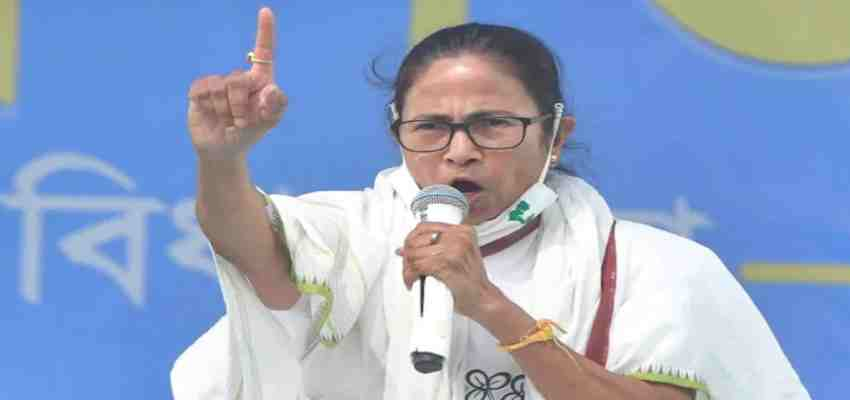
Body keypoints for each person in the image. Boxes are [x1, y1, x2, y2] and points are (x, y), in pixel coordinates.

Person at [172, 7, 811, 400]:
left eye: (492, 125)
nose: (459, 152)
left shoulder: (656, 267)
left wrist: (490, 307)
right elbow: (244, 244)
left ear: (556, 136)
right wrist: (222, 159)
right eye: (430, 128)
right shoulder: (354, 232)